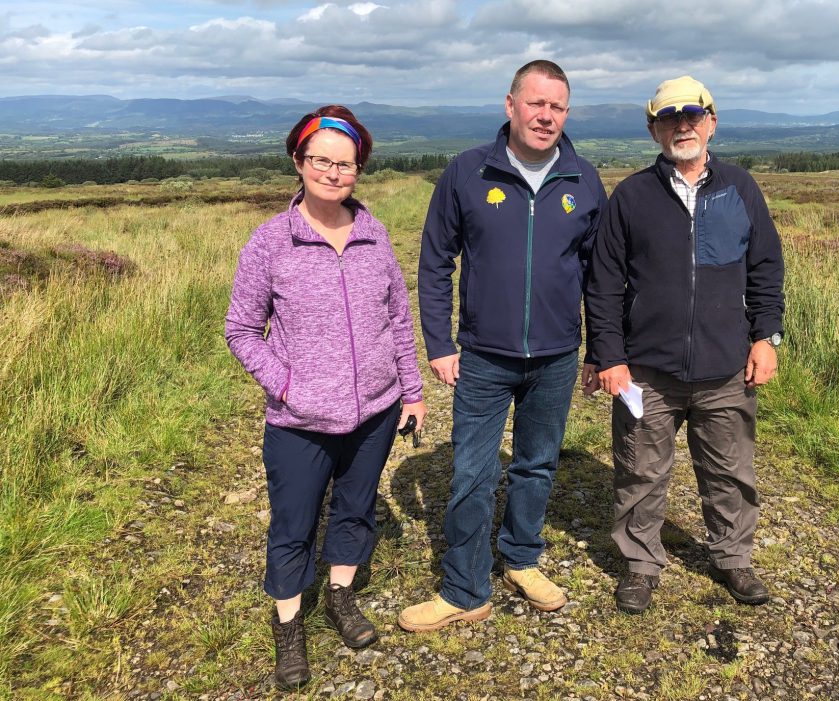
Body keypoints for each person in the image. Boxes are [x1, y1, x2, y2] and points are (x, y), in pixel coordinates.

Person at [400, 60, 607, 632]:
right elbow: (435, 260)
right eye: (536, 103)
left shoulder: (584, 180)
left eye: (557, 107)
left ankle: (521, 557)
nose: (546, 116)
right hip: (484, 356)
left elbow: (601, 275)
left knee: (537, 464)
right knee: (471, 470)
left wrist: (600, 350)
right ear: (510, 105)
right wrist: (439, 342)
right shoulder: (467, 172)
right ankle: (465, 588)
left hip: (558, 355)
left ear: (567, 114)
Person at [225, 105, 427, 689]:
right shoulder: (271, 241)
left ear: (358, 169)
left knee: (356, 509)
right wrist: (287, 384)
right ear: (299, 162)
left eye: (346, 164)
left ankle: (340, 594)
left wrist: (410, 391)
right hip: (299, 419)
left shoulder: (373, 232)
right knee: (293, 523)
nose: (334, 174)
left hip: (376, 411)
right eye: (322, 161)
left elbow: (396, 315)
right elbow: (240, 330)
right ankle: (290, 624)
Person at [584, 76, 785, 614]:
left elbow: (766, 268)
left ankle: (732, 559)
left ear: (712, 122)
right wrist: (609, 355)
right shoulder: (631, 196)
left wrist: (766, 336)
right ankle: (641, 564)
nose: (683, 125)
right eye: (670, 118)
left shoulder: (740, 188)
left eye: (693, 115)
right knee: (641, 471)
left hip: (725, 368)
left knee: (729, 471)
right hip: (647, 369)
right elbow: (603, 283)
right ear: (654, 129)